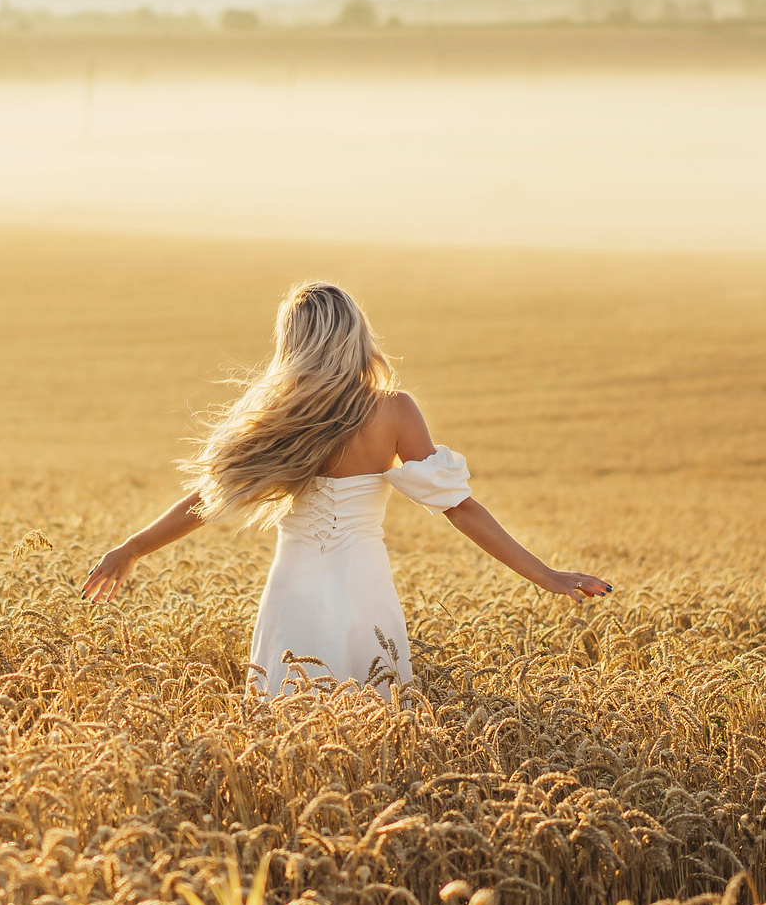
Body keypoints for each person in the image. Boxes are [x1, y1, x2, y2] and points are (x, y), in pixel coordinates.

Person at [82, 280, 610, 695]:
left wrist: (132, 548)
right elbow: (460, 508)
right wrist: (546, 575)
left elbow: (205, 501)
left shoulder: (277, 418)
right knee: (379, 720)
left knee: (283, 723)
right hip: (366, 588)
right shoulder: (394, 410)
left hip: (293, 591)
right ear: (356, 335)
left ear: (291, 343)